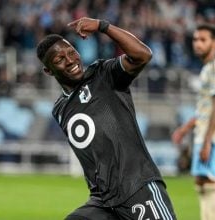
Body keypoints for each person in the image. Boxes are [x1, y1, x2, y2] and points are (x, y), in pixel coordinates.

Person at [36, 17, 177, 220]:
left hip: (137, 188)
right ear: (48, 71)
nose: (70, 61)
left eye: (71, 52)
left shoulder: (103, 74)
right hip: (103, 201)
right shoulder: (60, 109)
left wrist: (103, 27)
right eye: (59, 60)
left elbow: (142, 55)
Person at [172, 24, 215, 220]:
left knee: (211, 183)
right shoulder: (208, 68)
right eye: (195, 39)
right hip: (205, 134)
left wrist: (208, 140)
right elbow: (204, 109)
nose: (197, 44)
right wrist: (185, 129)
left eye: (203, 40)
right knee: (201, 183)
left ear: (214, 43)